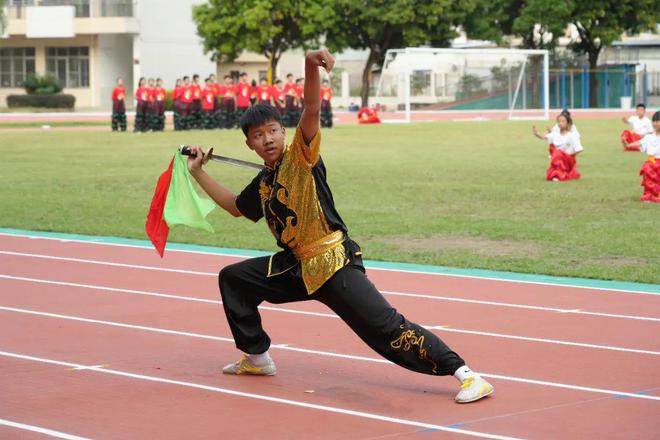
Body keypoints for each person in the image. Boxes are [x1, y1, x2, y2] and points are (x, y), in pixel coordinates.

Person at [185, 49, 494, 405]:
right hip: (296, 266)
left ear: (284, 132)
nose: (267, 139)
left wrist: (309, 66)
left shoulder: (301, 156)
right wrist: (198, 172)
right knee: (234, 279)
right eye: (258, 135)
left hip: (333, 263)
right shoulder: (264, 180)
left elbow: (312, 110)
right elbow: (237, 208)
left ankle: (466, 375)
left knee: (387, 329)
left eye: (272, 130)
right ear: (249, 143)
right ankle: (257, 358)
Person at [533, 112, 584, 181]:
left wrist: (567, 156)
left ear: (568, 123)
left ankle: (559, 175)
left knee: (558, 153)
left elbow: (579, 149)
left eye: (563, 121)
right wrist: (536, 133)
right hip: (557, 160)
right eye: (559, 121)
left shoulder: (572, 135)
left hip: (568, 160)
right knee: (555, 152)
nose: (560, 123)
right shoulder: (555, 134)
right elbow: (543, 137)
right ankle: (558, 174)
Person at [624, 111, 660, 203]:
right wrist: (628, 145)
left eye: (658, 121)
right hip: (651, 162)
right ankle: (649, 196)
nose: (655, 123)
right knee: (648, 179)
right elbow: (640, 142)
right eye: (654, 121)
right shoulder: (649, 137)